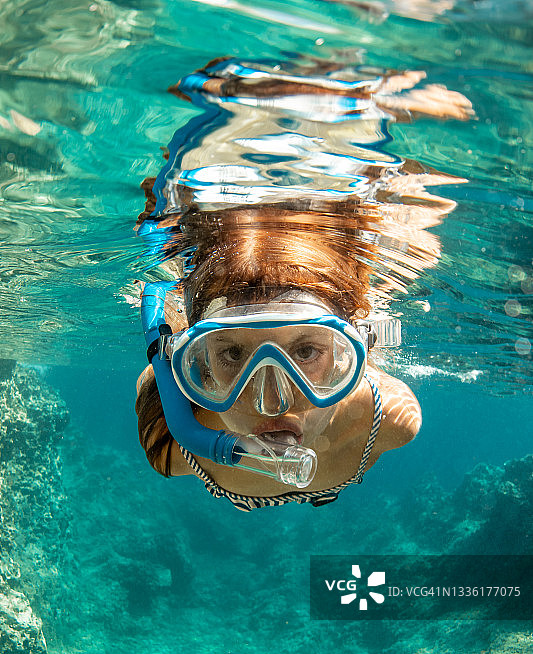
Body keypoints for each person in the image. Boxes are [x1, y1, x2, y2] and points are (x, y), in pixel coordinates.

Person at [134, 56, 472, 511]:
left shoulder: (390, 420)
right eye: (232, 355)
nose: (272, 402)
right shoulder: (171, 445)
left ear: (351, 355)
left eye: (307, 352)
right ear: (198, 367)